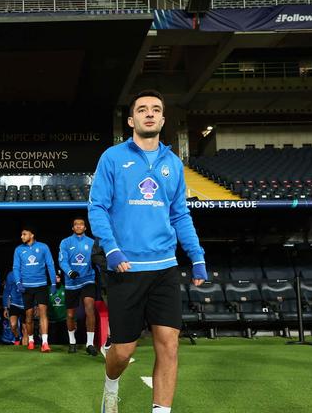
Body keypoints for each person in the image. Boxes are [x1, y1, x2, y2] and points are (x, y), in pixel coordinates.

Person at [88, 90, 207, 413]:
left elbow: (180, 214)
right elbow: (97, 207)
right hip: (126, 269)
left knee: (168, 344)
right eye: (142, 110)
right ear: (131, 120)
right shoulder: (112, 158)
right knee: (123, 352)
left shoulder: (173, 163)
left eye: (156, 109)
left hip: (165, 267)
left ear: (164, 119)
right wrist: (111, 249)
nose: (150, 114)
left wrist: (196, 257)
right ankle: (111, 384)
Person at [12, 226, 57, 352]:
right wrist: (18, 282)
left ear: (31, 235)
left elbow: (50, 264)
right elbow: (15, 268)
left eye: (24, 234)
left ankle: (45, 343)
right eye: (21, 234)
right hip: (26, 287)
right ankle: (31, 340)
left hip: (41, 285)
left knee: (43, 313)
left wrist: (53, 283)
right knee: (29, 316)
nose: (22, 236)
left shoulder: (43, 247)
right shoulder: (19, 250)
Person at [58, 217, 97, 355]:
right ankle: (72, 342)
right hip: (71, 282)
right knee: (70, 315)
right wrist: (69, 272)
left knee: (90, 308)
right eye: (76, 224)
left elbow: (97, 260)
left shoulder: (92, 243)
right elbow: (62, 261)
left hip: (88, 280)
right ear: (73, 228)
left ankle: (90, 343)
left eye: (81, 224)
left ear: (85, 228)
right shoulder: (66, 242)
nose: (79, 226)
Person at [2, 270, 27, 345]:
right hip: (14, 304)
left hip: (26, 304)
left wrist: (35, 305)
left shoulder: (29, 272)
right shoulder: (11, 274)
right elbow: (6, 291)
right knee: (13, 325)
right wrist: (5, 307)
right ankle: (17, 337)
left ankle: (24, 351)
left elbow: (34, 290)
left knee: (25, 329)